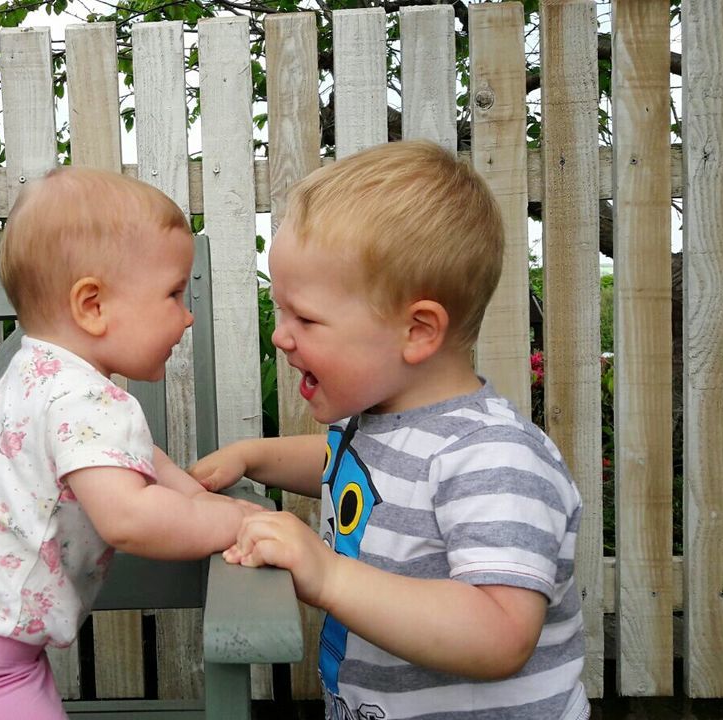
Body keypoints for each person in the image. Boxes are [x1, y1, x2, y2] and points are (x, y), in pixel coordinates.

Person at [191, 140, 589, 720]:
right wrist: (252, 456)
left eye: (305, 317)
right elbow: (345, 466)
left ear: (418, 331)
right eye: (282, 312)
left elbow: (502, 633)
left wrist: (328, 575)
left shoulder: (494, 457)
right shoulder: (381, 425)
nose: (282, 335)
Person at [0, 166, 262, 720]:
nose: (188, 315)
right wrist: (237, 523)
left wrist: (199, 499)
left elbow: (140, 461)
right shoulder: (89, 400)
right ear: (92, 305)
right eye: (173, 293)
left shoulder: (35, 374)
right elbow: (129, 517)